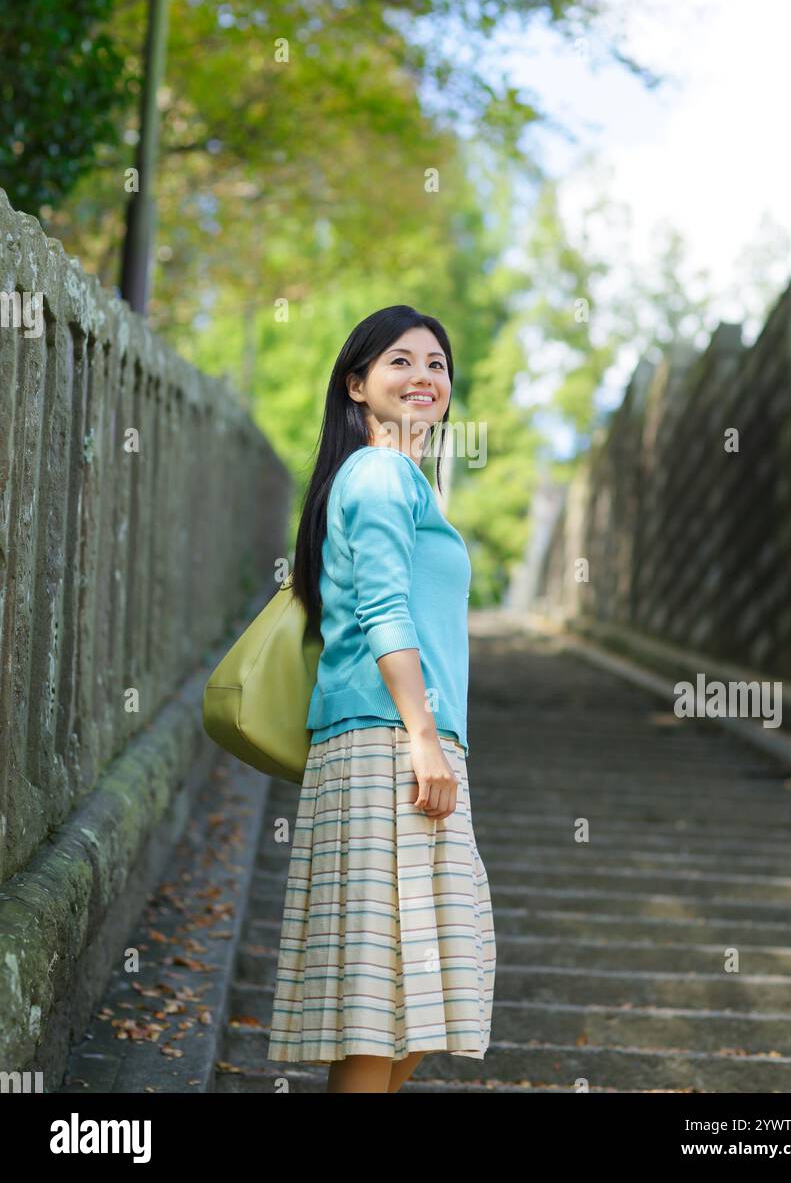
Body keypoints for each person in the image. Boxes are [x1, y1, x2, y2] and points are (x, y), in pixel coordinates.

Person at [267, 304, 496, 1093]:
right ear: (357, 385)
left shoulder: (403, 481)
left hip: (394, 742)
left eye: (437, 365)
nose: (424, 376)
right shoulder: (379, 472)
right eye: (400, 361)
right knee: (391, 996)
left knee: (418, 993)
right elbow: (385, 612)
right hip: (387, 746)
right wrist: (424, 736)